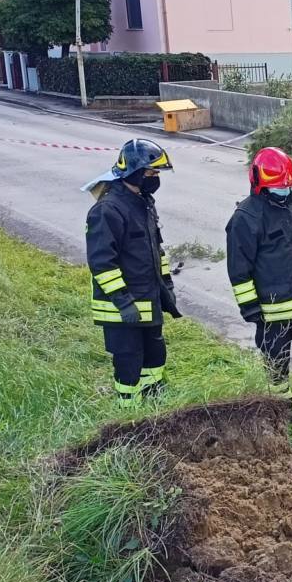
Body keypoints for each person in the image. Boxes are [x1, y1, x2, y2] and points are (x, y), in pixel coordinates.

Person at [225, 147, 292, 410]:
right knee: (277, 359)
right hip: (273, 310)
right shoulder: (246, 218)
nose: (285, 190)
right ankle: (280, 405)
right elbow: (239, 270)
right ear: (260, 183)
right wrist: (249, 307)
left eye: (288, 184)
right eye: (280, 186)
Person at [84, 138, 179, 405]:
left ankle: (154, 401)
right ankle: (129, 411)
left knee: (155, 354)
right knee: (129, 359)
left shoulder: (143, 202)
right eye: (152, 173)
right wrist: (124, 303)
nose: (155, 178)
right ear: (135, 172)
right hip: (121, 307)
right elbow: (102, 264)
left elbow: (155, 250)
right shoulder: (107, 211)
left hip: (148, 299)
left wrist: (166, 285)